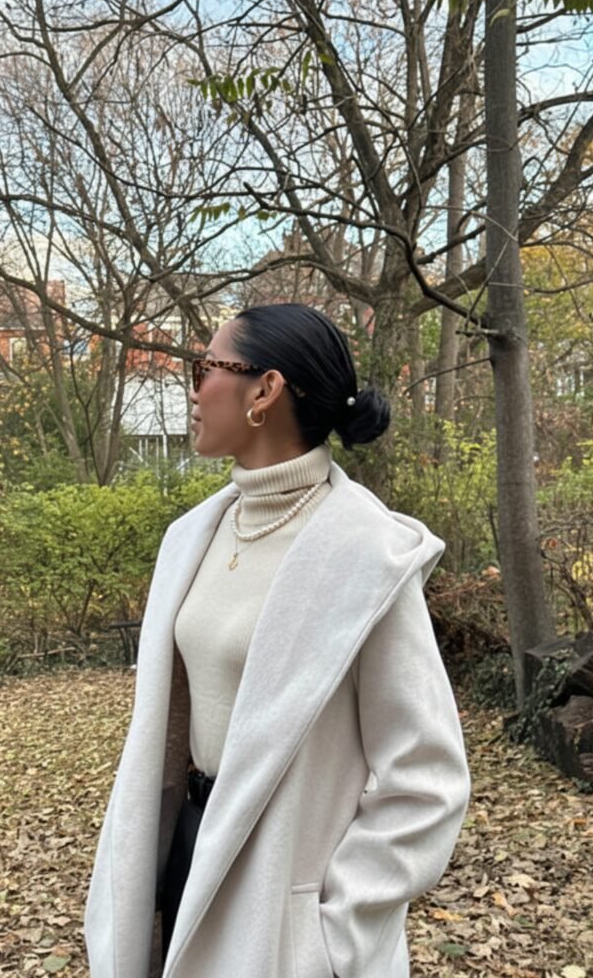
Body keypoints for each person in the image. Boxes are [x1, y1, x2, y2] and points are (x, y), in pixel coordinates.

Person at [85, 303, 470, 978]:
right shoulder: (191, 537)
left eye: (206, 367)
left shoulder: (365, 555)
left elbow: (426, 779)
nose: (193, 388)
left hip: (281, 903)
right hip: (182, 855)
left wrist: (330, 936)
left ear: (264, 390)